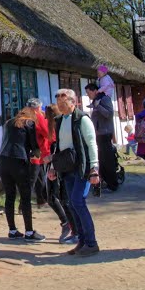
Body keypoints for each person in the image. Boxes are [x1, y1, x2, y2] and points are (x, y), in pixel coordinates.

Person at [48, 88, 101, 257]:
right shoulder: (60, 120)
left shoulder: (82, 119)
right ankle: (82, 241)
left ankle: (91, 243)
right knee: (71, 203)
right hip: (67, 168)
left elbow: (92, 143)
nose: (59, 106)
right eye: (58, 103)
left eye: (62, 103)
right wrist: (53, 166)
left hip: (81, 167)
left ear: (72, 101)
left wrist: (94, 167)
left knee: (78, 201)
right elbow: (58, 146)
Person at [0, 106, 45, 240]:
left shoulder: (9, 123)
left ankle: (12, 230)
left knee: (10, 195)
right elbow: (34, 145)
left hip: (2, 160)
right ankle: (29, 232)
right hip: (18, 161)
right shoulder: (29, 123)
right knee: (25, 195)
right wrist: (36, 154)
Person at [43, 105, 77, 243]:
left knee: (65, 199)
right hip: (56, 165)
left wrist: (52, 166)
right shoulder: (56, 126)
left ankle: (72, 228)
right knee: (58, 197)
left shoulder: (58, 126)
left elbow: (57, 150)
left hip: (60, 166)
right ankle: (70, 226)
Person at [86, 73, 118, 193]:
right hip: (99, 134)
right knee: (101, 160)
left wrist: (98, 106)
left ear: (95, 91)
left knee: (108, 160)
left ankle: (113, 184)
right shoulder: (96, 100)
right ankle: (105, 182)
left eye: (89, 92)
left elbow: (109, 114)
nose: (87, 95)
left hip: (105, 133)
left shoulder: (104, 99)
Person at [27, 98, 49, 207]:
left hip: (30, 151)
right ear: (39, 107)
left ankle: (41, 199)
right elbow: (46, 132)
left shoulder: (25, 116)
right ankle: (23, 205)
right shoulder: (38, 117)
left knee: (40, 176)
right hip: (36, 152)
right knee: (32, 179)